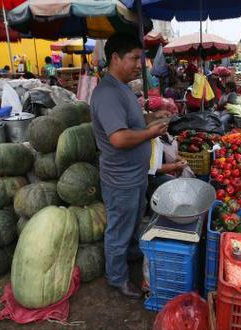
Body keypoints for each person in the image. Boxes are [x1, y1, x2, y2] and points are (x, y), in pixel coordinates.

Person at [90, 33, 168, 299]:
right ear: (115, 58)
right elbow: (119, 138)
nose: (139, 64)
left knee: (133, 220)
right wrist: (151, 133)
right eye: (134, 58)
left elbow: (129, 123)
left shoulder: (122, 87)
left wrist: (150, 117)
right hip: (120, 178)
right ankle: (117, 277)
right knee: (119, 228)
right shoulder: (107, 93)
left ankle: (131, 254)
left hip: (134, 175)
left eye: (140, 58)